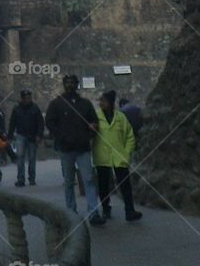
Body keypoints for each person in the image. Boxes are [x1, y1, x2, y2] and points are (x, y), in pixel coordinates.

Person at [45, 75, 106, 225]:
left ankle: (93, 212)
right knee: (69, 181)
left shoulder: (85, 104)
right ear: (64, 85)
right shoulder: (57, 104)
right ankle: (71, 212)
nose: (70, 85)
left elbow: (94, 121)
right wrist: (60, 137)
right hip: (66, 149)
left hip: (83, 148)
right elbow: (50, 122)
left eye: (72, 82)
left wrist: (89, 134)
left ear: (77, 85)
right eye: (67, 83)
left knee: (89, 180)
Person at [93, 90, 143, 221]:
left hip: (119, 156)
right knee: (104, 186)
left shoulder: (121, 117)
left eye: (103, 100)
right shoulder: (95, 117)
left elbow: (130, 136)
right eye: (100, 100)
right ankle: (106, 209)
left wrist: (127, 152)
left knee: (125, 184)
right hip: (102, 156)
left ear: (110, 102)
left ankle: (130, 211)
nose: (101, 103)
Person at [8, 89, 45, 187]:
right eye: (26, 98)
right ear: (22, 99)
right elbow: (12, 123)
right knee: (20, 157)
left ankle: (32, 178)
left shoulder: (35, 108)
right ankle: (21, 179)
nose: (28, 99)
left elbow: (40, 123)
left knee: (32, 158)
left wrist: (39, 135)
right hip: (21, 135)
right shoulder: (16, 109)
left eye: (29, 97)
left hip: (32, 136)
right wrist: (10, 136)